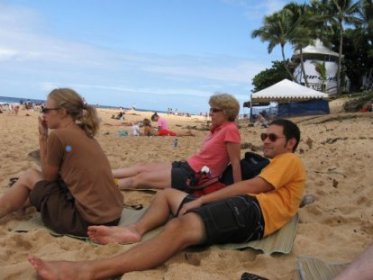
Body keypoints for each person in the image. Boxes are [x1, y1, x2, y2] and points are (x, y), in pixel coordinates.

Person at [28, 118, 305, 279]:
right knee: (167, 195)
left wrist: (202, 201)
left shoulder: (290, 159)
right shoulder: (278, 164)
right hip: (248, 209)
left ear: (290, 143)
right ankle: (135, 231)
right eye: (264, 135)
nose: (266, 140)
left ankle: (88, 271)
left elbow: (252, 187)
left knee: (180, 227)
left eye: (273, 137)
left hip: (253, 212)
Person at [0, 88, 123, 237]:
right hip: (112, 217)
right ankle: (20, 205)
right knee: (40, 183)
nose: (43, 114)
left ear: (63, 112)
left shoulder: (58, 136)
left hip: (87, 222)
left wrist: (43, 137)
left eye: (46, 109)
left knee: (29, 176)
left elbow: (48, 178)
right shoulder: (84, 132)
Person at [113, 93, 242, 190]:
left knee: (141, 178)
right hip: (187, 165)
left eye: (214, 110)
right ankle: (106, 174)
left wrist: (238, 191)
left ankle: (107, 185)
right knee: (142, 167)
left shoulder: (230, 130)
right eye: (210, 110)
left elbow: (236, 163)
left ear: (226, 112)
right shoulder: (217, 129)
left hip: (194, 175)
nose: (210, 113)